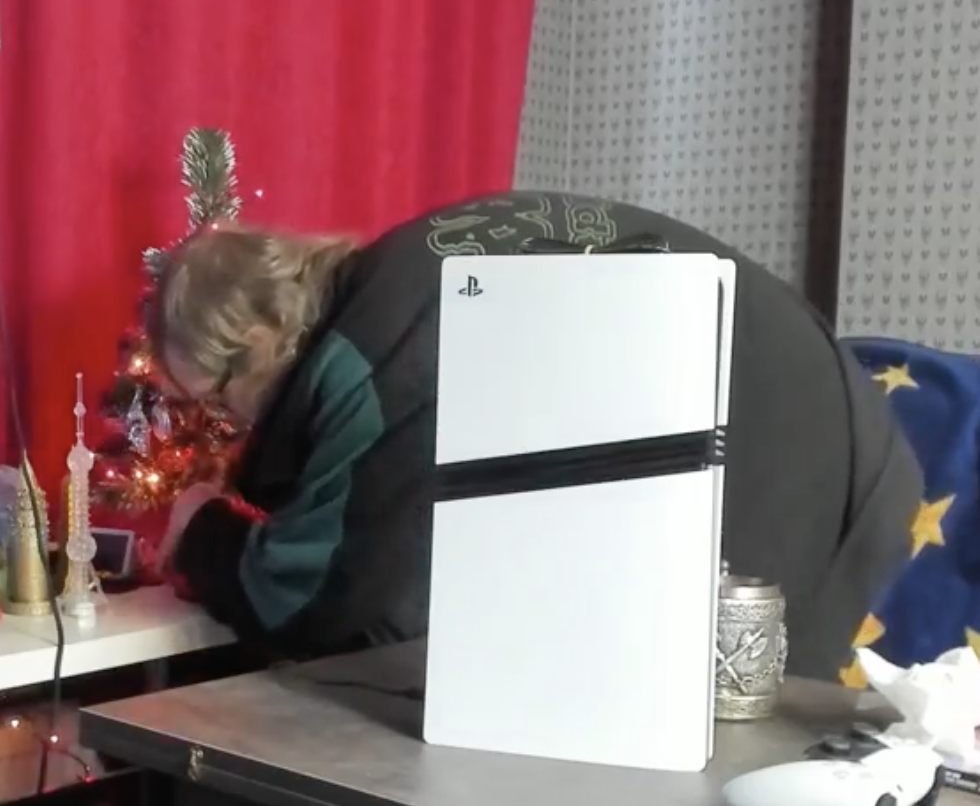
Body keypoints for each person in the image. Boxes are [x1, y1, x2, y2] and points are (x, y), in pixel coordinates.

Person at [147, 191, 922, 679]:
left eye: (215, 397)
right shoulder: (404, 279)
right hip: (832, 428)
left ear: (260, 334)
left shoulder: (371, 346)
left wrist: (202, 532)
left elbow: (329, 596)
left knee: (729, 737)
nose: (229, 424)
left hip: (794, 458)